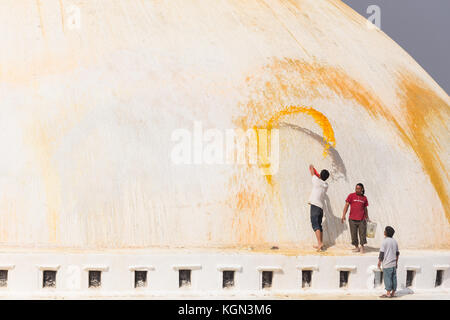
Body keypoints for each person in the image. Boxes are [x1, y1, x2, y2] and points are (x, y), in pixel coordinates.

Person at [341, 183, 370, 253]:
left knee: (362, 234)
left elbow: (365, 209)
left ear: (362, 189)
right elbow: (346, 206)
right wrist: (343, 215)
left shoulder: (364, 198)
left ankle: (362, 247)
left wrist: (367, 217)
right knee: (353, 234)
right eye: (356, 188)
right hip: (352, 219)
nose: (357, 190)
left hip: (362, 219)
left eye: (358, 189)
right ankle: (357, 247)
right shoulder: (351, 196)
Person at [308, 164, 330, 252]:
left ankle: (320, 243)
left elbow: (312, 173)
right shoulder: (326, 185)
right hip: (320, 207)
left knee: (315, 224)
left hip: (315, 206)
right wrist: (318, 174)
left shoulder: (317, 181)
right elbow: (316, 176)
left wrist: (311, 167)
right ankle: (320, 243)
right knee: (319, 225)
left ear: (320, 175)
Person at [378, 226, 399, 298]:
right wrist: (396, 262)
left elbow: (382, 253)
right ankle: (393, 293)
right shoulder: (395, 241)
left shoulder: (384, 241)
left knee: (387, 278)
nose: (384, 231)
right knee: (394, 278)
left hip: (387, 264)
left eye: (384, 230)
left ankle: (388, 293)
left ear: (386, 233)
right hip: (393, 264)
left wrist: (379, 262)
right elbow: (397, 253)